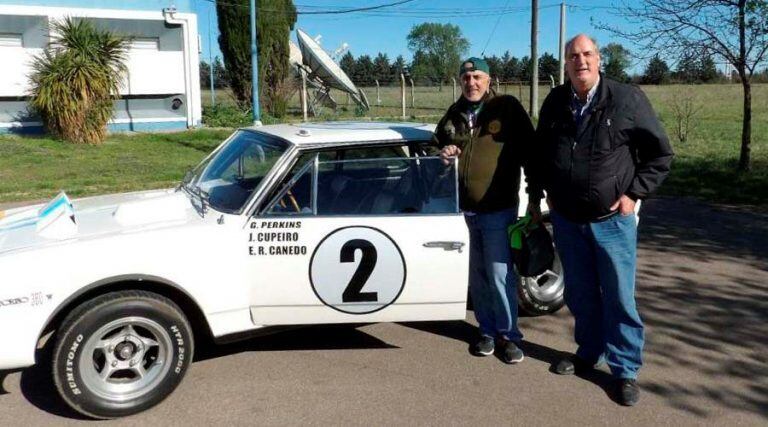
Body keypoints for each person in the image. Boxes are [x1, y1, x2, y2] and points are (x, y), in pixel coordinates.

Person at [529, 34, 674, 406]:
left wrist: (633, 195)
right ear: (565, 63)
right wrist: (536, 194)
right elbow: (541, 154)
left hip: (612, 222)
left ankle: (624, 369)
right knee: (580, 293)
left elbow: (660, 155)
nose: (581, 61)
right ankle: (588, 353)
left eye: (587, 54)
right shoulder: (556, 101)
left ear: (599, 59)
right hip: (566, 219)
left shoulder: (626, 99)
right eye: (573, 56)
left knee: (619, 297)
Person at [433, 57, 538, 364]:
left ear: (489, 80)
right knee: (477, 276)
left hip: (498, 208)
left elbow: (530, 154)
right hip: (463, 212)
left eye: (477, 76)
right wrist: (442, 151)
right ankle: (487, 332)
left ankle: (509, 336)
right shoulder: (454, 114)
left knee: (499, 273)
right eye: (466, 77)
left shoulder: (507, 108)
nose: (471, 82)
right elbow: (432, 145)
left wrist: (534, 197)